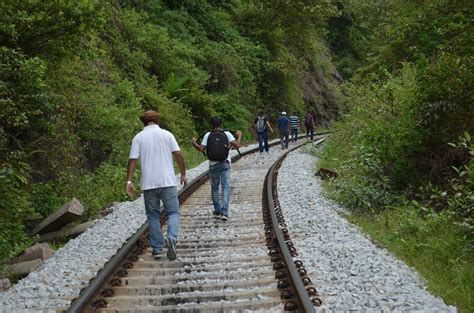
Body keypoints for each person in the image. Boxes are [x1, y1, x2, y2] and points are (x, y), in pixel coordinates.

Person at [126, 110, 187, 261]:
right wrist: (183, 173)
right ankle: (172, 238)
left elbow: (132, 159)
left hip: (148, 184)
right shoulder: (167, 135)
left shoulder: (138, 137)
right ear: (158, 120)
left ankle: (157, 249)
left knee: (153, 216)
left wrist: (129, 180)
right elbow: (178, 154)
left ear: (143, 122)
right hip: (167, 181)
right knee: (173, 212)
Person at [191, 117, 242, 221]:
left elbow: (201, 149)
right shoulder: (227, 134)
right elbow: (237, 145)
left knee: (215, 188)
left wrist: (194, 143)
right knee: (225, 187)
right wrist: (240, 135)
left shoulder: (207, 135)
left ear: (212, 125)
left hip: (213, 164)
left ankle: (217, 210)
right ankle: (224, 212)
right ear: (221, 124)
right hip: (225, 163)